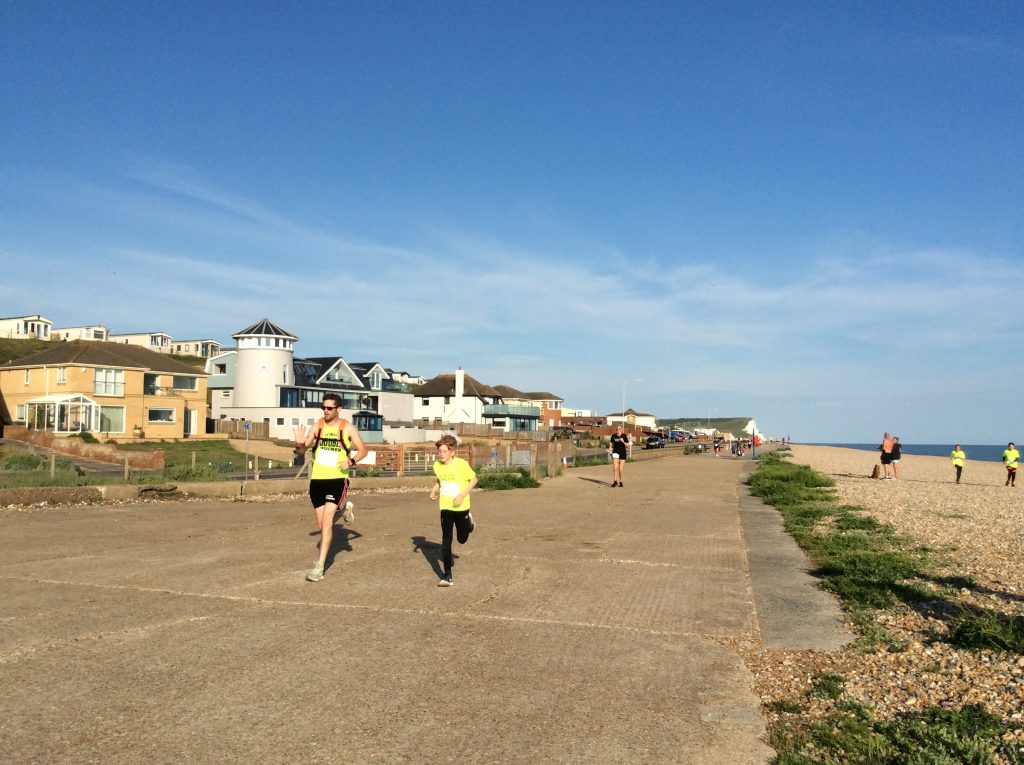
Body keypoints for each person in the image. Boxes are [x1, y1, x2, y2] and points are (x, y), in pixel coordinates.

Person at [293, 393, 368, 582]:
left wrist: (350, 462)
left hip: (337, 480)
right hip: (317, 480)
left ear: (338, 409)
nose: (325, 411)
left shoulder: (347, 428)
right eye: (323, 408)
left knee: (327, 523)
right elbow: (302, 451)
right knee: (322, 524)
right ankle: (344, 510)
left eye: (329, 408)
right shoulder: (317, 426)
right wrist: (299, 443)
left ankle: (319, 567)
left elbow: (363, 450)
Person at [429, 434, 478, 587]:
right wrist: (434, 489)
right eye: (439, 451)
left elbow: (474, 479)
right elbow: (441, 479)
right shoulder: (437, 465)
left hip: (461, 506)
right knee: (446, 540)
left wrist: (462, 495)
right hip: (446, 507)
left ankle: (469, 524)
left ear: (452, 452)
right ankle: (447, 575)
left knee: (462, 539)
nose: (441, 454)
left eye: (444, 451)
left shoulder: (461, 465)